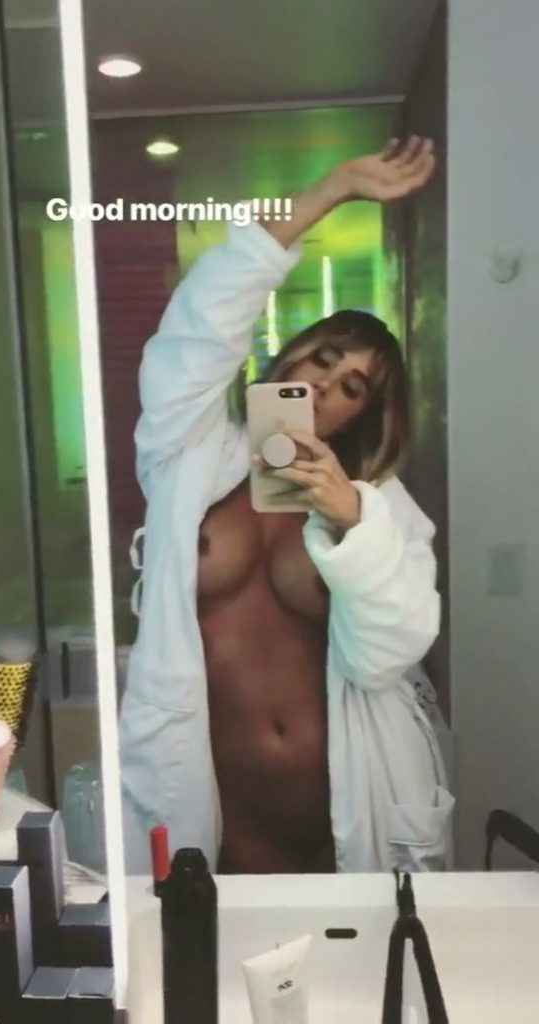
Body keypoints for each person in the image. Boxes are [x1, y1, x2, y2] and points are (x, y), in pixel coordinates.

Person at [119, 135, 455, 875]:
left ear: (361, 414)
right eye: (322, 359)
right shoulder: (189, 451)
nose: (326, 386)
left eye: (352, 387)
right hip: (210, 809)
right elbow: (196, 329)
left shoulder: (380, 505)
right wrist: (330, 191)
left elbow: (390, 655)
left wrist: (349, 520)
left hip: (348, 811)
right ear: (288, 355)